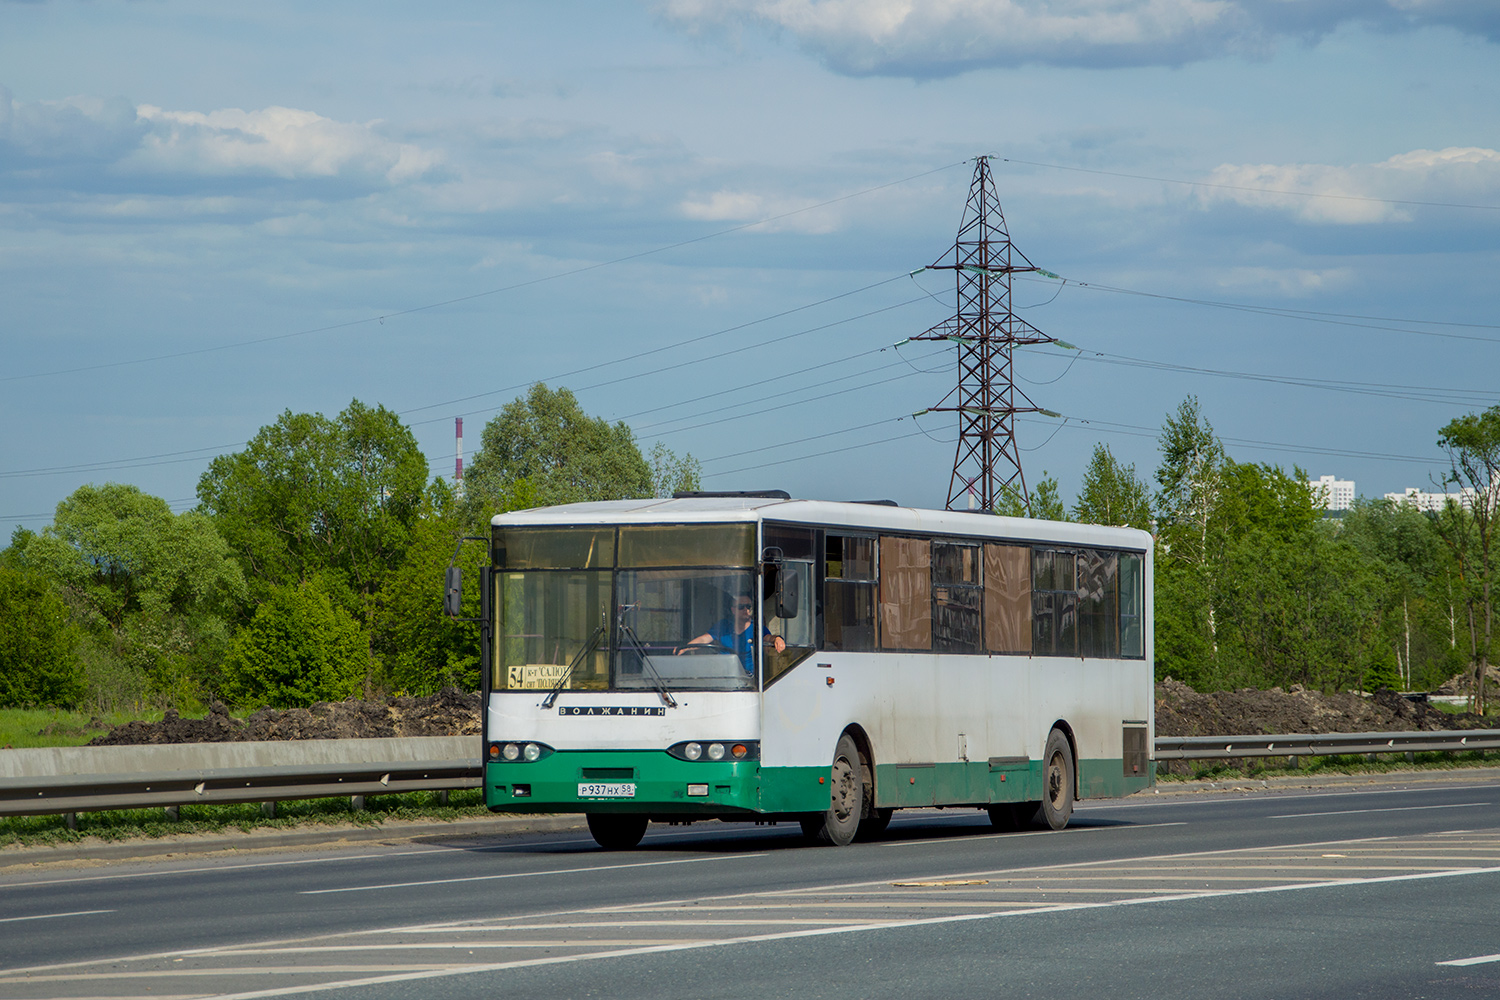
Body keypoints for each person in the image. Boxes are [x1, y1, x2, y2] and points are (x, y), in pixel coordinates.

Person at [680, 596, 785, 673]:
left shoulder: (757, 628)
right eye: (741, 607)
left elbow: (769, 638)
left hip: (749, 678)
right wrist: (684, 648)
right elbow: (704, 639)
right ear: (733, 610)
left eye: (748, 606)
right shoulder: (723, 625)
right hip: (722, 674)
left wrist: (777, 639)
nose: (746, 610)